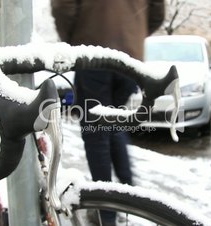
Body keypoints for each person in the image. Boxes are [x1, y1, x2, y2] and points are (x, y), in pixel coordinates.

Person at [51, 1, 165, 225]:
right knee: (112, 124)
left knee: (97, 133)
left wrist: (73, 42)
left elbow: (63, 7)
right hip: (131, 58)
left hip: (93, 51)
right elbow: (157, 12)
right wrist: (133, 33)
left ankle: (107, 214)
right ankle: (128, 198)